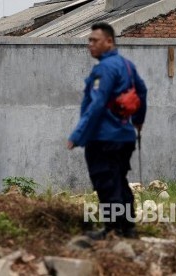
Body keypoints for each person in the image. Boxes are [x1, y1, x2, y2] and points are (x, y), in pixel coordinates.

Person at [67, 22, 147, 239]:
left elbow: (97, 104)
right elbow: (142, 90)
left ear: (109, 41)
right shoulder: (127, 65)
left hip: (104, 138)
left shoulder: (104, 69)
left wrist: (77, 135)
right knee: (119, 181)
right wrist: (138, 120)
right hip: (125, 137)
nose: (90, 44)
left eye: (95, 40)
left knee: (106, 182)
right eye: (89, 40)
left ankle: (112, 231)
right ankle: (128, 228)